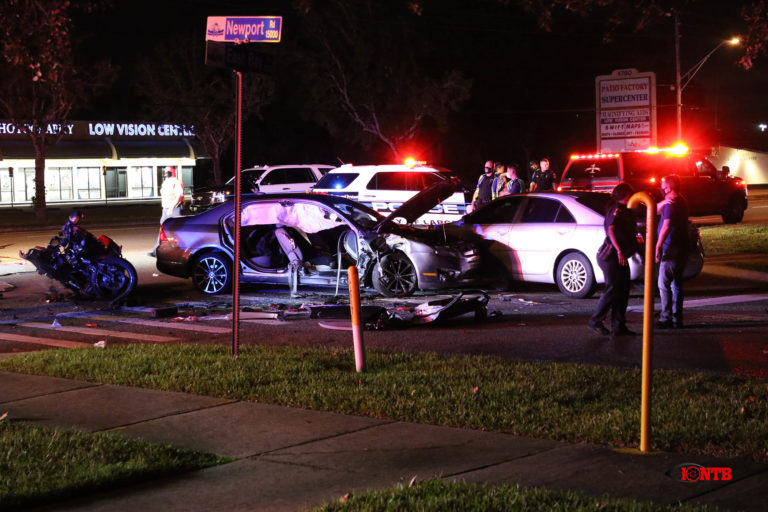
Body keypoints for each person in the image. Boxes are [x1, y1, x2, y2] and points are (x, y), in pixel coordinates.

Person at [588, 182, 638, 336]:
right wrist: (619, 251)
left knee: (623, 290)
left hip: (620, 256)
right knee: (613, 288)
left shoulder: (627, 210)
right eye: (631, 193)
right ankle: (596, 321)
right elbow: (611, 230)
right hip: (610, 256)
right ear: (625, 195)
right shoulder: (617, 210)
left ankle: (619, 325)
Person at [655, 174, 690, 329]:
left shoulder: (671, 204)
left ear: (668, 188)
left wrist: (657, 246)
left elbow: (666, 226)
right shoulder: (682, 200)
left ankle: (666, 317)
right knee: (676, 284)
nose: (661, 188)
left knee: (663, 284)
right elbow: (655, 210)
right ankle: (677, 318)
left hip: (670, 248)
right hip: (682, 247)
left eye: (663, 185)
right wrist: (663, 201)